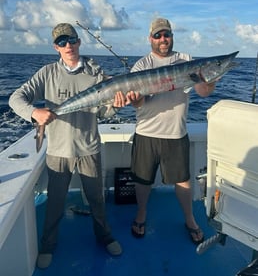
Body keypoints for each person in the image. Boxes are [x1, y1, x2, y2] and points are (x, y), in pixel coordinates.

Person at [9, 23, 123, 269]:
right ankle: (48, 245)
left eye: (71, 40)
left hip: (89, 149)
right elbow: (15, 98)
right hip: (58, 152)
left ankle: (105, 237)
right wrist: (34, 113)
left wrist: (116, 104)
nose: (68, 46)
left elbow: (103, 110)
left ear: (79, 41)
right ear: (55, 47)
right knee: (55, 203)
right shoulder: (47, 73)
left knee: (97, 200)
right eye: (62, 42)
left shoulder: (95, 72)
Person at [124, 17, 216, 244]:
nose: (163, 39)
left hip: (176, 133)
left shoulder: (186, 60)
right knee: (143, 180)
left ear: (172, 36)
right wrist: (134, 100)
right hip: (147, 132)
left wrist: (212, 76)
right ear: (150, 39)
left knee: (183, 180)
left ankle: (189, 219)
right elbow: (138, 104)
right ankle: (142, 213)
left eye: (166, 34)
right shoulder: (142, 65)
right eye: (158, 35)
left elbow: (204, 92)